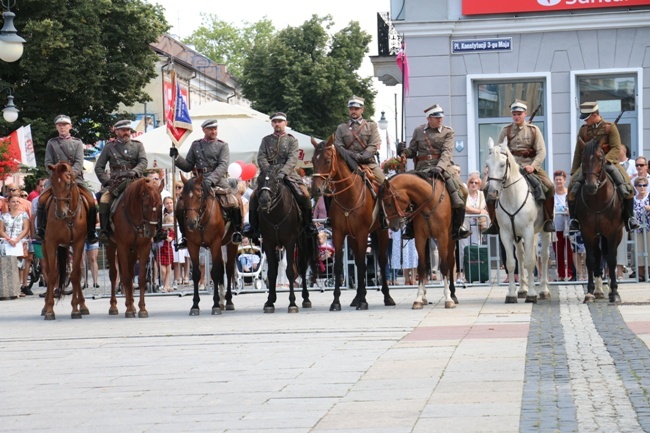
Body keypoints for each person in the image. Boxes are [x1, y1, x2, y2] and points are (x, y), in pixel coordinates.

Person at [396, 103, 470, 240]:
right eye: (436, 117)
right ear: (428, 118)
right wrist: (403, 151)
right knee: (405, 192)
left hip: (442, 167)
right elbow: (412, 150)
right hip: (421, 169)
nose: (440, 119)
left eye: (441, 117)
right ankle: (410, 227)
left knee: (463, 191)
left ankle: (458, 226)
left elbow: (447, 152)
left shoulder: (448, 132)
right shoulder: (419, 131)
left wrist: (440, 167)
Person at [484, 100, 556, 234]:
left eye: (519, 114)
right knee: (487, 188)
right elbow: (499, 151)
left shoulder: (534, 130)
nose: (516, 117)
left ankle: (548, 219)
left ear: (525, 114)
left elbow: (541, 152)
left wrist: (533, 166)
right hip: (509, 169)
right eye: (514, 114)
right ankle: (494, 222)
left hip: (529, 166)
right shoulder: (505, 130)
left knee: (549, 186)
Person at [169, 119, 243, 248]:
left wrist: (211, 179)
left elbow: (223, 165)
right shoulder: (196, 145)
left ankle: (237, 231)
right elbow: (188, 166)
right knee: (180, 205)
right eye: (210, 129)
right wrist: (177, 157)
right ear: (204, 130)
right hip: (198, 180)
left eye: (215, 129)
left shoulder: (222, 145)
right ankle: (185, 236)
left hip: (217, 179)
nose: (213, 131)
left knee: (234, 201)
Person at [567, 101, 640, 231]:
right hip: (589, 165)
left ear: (595, 115)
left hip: (608, 162)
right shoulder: (583, 130)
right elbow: (578, 152)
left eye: (587, 117)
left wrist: (605, 160)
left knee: (626, 185)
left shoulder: (610, 127)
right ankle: (574, 219)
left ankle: (630, 217)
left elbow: (616, 148)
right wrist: (574, 171)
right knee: (572, 188)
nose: (585, 121)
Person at [244, 112, 316, 239]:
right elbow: (261, 157)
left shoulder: (292, 140)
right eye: (275, 121)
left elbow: (293, 159)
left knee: (305, 194)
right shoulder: (265, 140)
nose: (277, 124)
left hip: (289, 174)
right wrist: (269, 171)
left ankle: (309, 224)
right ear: (272, 123)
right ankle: (253, 227)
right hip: (268, 174)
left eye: (280, 121)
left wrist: (283, 172)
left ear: (285, 123)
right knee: (255, 195)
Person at [36, 115, 98, 244]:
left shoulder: (77, 142)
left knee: (91, 201)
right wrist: (55, 174)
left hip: (75, 178)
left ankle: (91, 232)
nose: (62, 127)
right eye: (59, 125)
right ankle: (41, 229)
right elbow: (48, 162)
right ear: (56, 127)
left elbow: (79, 162)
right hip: (56, 178)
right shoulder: (51, 143)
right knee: (41, 200)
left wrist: (70, 175)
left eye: (65, 124)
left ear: (70, 126)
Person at [95, 119, 148, 243]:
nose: (126, 133)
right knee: (104, 199)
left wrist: (135, 171)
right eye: (123, 130)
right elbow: (99, 167)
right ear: (116, 131)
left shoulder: (138, 145)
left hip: (134, 180)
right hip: (116, 182)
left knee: (152, 197)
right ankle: (104, 231)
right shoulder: (109, 147)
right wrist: (107, 182)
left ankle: (157, 230)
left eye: (128, 130)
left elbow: (143, 162)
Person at [0, 196, 31, 296]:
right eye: (13, 202)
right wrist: (9, 239)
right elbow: (1, 230)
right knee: (7, 265)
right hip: (6, 243)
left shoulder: (24, 215)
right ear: (8, 204)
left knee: (19, 265)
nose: (16, 203)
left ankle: (17, 288)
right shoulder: (3, 216)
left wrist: (17, 239)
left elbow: (25, 229)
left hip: (19, 243)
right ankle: (7, 288)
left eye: (18, 201)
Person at [553, 170, 573, 281]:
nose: (558, 182)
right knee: (558, 251)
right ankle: (561, 274)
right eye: (556, 180)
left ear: (564, 180)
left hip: (568, 226)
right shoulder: (553, 194)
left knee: (570, 251)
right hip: (557, 226)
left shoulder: (569, 193)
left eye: (560, 179)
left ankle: (570, 273)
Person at [633, 177, 650, 281]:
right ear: (636, 187)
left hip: (648, 226)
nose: (642, 187)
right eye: (640, 185)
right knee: (638, 249)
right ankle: (641, 273)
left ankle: (649, 271)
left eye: (644, 185)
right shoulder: (633, 199)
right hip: (637, 228)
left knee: (649, 249)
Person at [157, 213, 175, 292]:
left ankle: (166, 286)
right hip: (162, 251)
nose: (172, 225)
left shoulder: (171, 232)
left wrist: (166, 236)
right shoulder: (161, 231)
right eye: (171, 223)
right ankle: (165, 285)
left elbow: (170, 239)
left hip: (169, 251)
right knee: (163, 271)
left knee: (168, 270)